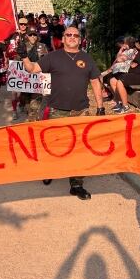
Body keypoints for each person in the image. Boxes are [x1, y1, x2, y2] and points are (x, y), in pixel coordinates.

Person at [22, 26, 104, 200]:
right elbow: (32, 69)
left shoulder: (86, 58)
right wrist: (23, 55)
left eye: (76, 35)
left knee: (80, 149)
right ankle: (49, 171)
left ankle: (76, 185)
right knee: (53, 146)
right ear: (63, 38)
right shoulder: (52, 57)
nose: (72, 37)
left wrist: (100, 106)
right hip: (57, 111)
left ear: (80, 38)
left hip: (81, 112)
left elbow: (95, 82)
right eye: (69, 35)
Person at [110, 38, 140, 111]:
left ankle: (125, 106)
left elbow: (133, 65)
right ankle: (120, 103)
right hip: (135, 75)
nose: (135, 45)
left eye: (136, 43)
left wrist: (126, 62)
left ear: (139, 44)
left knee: (120, 82)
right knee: (113, 80)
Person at [18, 27, 49, 121]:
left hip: (38, 77)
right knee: (26, 98)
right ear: (27, 36)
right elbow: (17, 62)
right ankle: (29, 113)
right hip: (25, 77)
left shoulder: (42, 46)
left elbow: (47, 60)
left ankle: (33, 117)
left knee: (36, 100)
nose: (32, 36)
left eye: (34, 34)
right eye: (30, 34)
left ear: (37, 36)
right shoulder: (22, 46)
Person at [101, 36, 137, 113]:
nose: (123, 45)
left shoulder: (132, 51)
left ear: (128, 44)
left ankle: (123, 104)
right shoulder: (125, 51)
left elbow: (120, 59)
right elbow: (117, 58)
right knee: (111, 80)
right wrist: (121, 50)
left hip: (124, 72)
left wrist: (120, 58)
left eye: (125, 43)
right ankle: (119, 102)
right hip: (118, 71)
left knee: (110, 78)